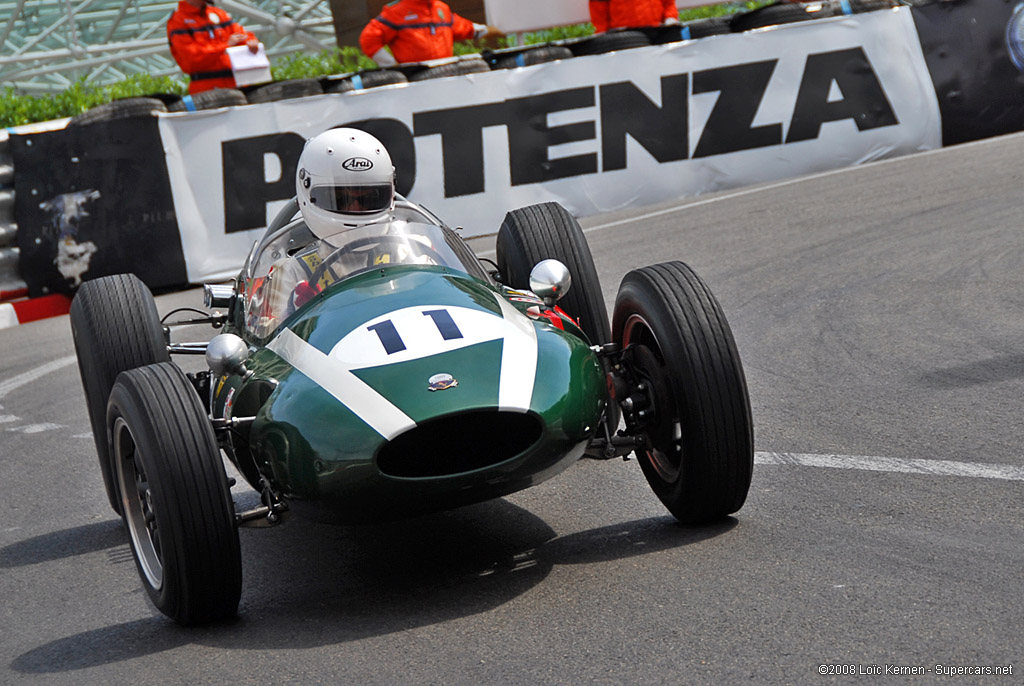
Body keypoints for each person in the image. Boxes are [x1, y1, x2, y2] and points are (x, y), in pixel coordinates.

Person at [359, 0, 501, 66]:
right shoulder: (396, 11)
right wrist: (392, 65)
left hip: (446, 76)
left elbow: (467, 29)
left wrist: (500, 30)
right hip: (415, 82)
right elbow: (368, 39)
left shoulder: (441, 8)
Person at [167, 0, 259, 94]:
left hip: (238, 83)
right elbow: (192, 59)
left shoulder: (218, 13)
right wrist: (226, 46)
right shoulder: (178, 20)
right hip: (207, 89)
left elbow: (241, 34)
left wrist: (251, 42)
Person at [588, 0, 680, 34]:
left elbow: (669, 3)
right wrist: (601, 32)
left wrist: (670, 18)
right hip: (622, 34)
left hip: (657, 29)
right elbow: (598, 6)